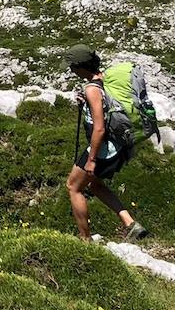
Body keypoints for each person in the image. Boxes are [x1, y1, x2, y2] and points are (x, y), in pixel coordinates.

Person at [64, 44, 149, 242]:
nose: (71, 70)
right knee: (95, 185)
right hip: (118, 145)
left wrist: (92, 159)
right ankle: (130, 224)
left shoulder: (92, 89)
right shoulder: (104, 80)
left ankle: (84, 240)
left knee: (73, 187)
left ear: (80, 66)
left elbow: (99, 127)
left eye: (72, 67)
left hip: (103, 148)